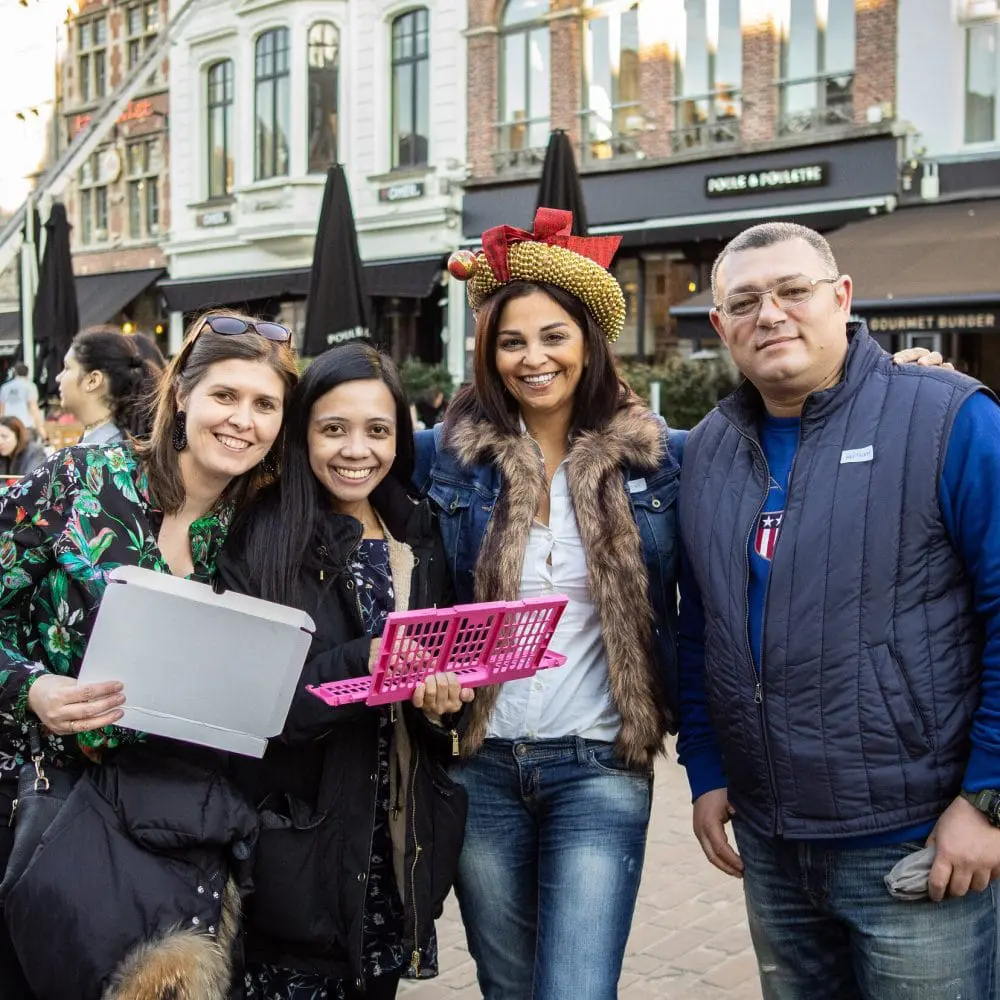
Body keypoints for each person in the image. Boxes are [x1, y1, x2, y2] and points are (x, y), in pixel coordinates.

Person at [676, 221, 1000, 1000]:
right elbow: (701, 626)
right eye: (745, 302)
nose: (770, 314)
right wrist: (707, 769)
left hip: (918, 840)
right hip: (772, 846)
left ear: (842, 298)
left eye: (793, 291)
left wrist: (988, 802)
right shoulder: (709, 448)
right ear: (720, 325)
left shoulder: (949, 419)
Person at [412, 208, 682, 1000]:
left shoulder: (660, 460)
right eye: (511, 342)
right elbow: (341, 456)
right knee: (508, 985)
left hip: (599, 765)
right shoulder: (444, 459)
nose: (533, 358)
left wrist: (911, 383)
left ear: (589, 342)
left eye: (553, 336)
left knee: (575, 988)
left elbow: (770, 442)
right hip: (478, 765)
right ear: (488, 354)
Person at [0, 310, 298, 999]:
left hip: (170, 833)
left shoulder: (261, 530)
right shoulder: (81, 480)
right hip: (42, 807)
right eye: (225, 395)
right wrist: (32, 688)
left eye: (265, 405)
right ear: (183, 395)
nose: (242, 420)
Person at [217, 343, 473, 1000]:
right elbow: (252, 709)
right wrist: (365, 660)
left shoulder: (417, 534)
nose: (356, 450)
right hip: (297, 858)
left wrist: (442, 707)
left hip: (394, 853)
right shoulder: (261, 537)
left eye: (378, 430)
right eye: (334, 428)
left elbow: (440, 707)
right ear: (302, 432)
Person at [55, 326, 160, 444]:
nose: (58, 378)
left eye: (67, 368)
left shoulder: (103, 447)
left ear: (93, 380)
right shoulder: (112, 441)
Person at [0, 363, 45, 442]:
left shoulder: (5, 387)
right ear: (27, 374)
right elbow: (33, 408)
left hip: (9, 426)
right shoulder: (30, 386)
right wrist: (41, 429)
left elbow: (1, 410)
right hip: (25, 426)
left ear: (15, 373)